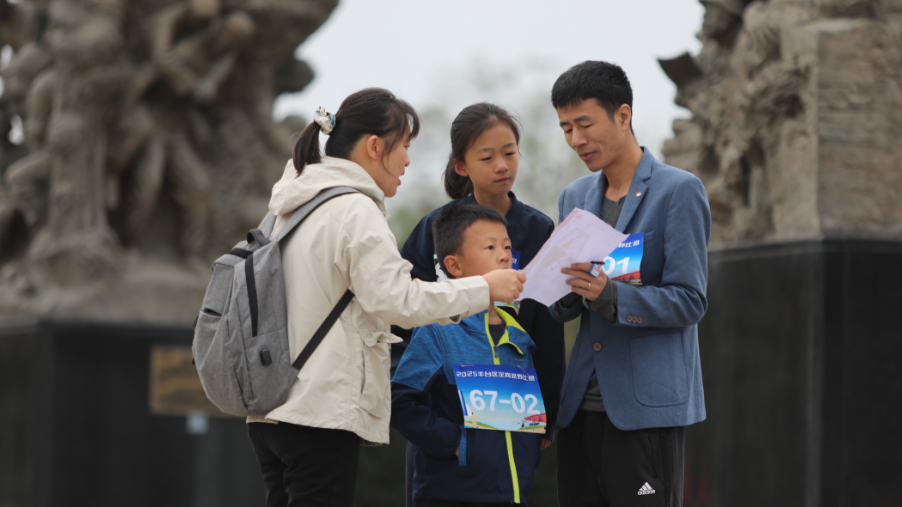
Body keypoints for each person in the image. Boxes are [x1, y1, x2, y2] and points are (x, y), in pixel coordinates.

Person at [245, 88, 526, 507]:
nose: (408, 161)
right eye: (405, 146)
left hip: (271, 405)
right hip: (319, 408)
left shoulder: (291, 205)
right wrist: (484, 288)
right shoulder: (354, 208)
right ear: (375, 147)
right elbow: (398, 302)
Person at [548, 61, 711, 507]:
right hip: (579, 408)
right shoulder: (574, 197)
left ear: (623, 115)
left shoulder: (678, 191)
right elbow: (564, 303)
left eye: (585, 124)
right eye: (566, 128)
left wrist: (611, 295)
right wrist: (560, 289)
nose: (576, 140)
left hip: (644, 412)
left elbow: (690, 301)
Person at [394, 103, 565, 506]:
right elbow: (399, 319)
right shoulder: (435, 228)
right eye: (487, 157)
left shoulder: (538, 228)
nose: (501, 165)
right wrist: (438, 432)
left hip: (512, 418)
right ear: (461, 166)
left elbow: (546, 328)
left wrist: (546, 416)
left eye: (510, 152)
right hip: (447, 420)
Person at [391, 204, 543, 507]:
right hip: (449, 495)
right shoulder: (438, 329)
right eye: (490, 247)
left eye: (507, 246)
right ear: (454, 266)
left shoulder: (520, 338)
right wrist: (456, 443)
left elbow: (525, 421)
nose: (504, 255)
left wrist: (529, 453)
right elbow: (399, 401)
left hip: (513, 495)